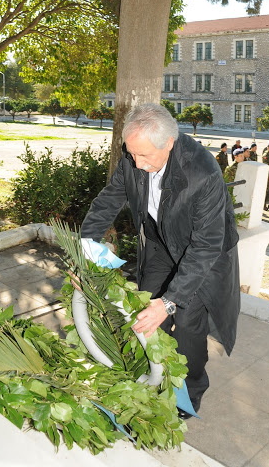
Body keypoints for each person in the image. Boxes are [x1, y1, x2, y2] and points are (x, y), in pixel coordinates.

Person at [81, 103, 240, 418]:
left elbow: (206, 244)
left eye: (144, 156)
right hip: (159, 244)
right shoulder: (136, 155)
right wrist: (84, 254)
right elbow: (108, 200)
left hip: (199, 255)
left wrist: (170, 302)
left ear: (168, 143)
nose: (136, 164)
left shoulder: (203, 172)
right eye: (132, 154)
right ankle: (152, 376)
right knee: (145, 310)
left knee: (187, 328)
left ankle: (189, 395)